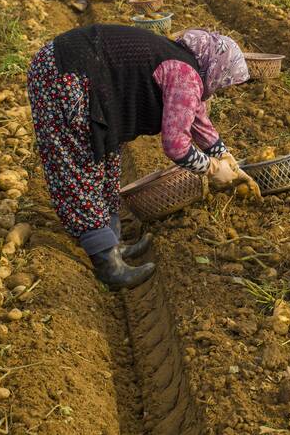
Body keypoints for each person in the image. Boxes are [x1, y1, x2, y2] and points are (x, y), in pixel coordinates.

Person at [26, 25, 260, 290]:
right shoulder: (186, 76)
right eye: (226, 79)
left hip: (84, 70)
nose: (222, 87)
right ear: (217, 69)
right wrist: (212, 168)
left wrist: (226, 157)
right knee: (81, 163)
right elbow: (176, 146)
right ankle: (107, 264)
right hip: (64, 73)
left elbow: (198, 121)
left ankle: (113, 244)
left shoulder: (188, 67)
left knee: (107, 161)